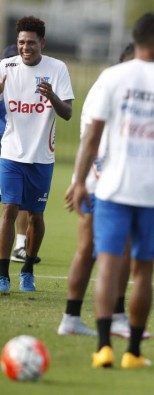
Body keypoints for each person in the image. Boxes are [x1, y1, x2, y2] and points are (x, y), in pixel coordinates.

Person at [72, 13, 154, 369]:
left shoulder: (111, 77)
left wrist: (79, 180)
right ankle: (134, 352)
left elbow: (92, 137)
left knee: (107, 264)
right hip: (151, 191)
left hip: (111, 187)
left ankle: (103, 347)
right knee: (143, 271)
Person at [58, 43, 148, 340]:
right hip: (103, 182)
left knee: (97, 250)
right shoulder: (108, 88)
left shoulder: (126, 90)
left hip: (110, 180)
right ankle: (115, 317)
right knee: (110, 250)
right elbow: (91, 137)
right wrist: (85, 180)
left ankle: (72, 317)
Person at [0, 16, 74, 293]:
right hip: (11, 152)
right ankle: (2, 275)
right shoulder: (4, 67)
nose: (25, 47)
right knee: (8, 209)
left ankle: (28, 268)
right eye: (21, 42)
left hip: (42, 156)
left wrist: (52, 96)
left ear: (42, 42)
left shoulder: (57, 68)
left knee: (36, 217)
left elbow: (67, 113)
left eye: (31, 42)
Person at [0, 45, 41, 266]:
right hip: (6, 151)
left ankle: (19, 246)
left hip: (15, 153)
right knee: (11, 205)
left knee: (16, 203)